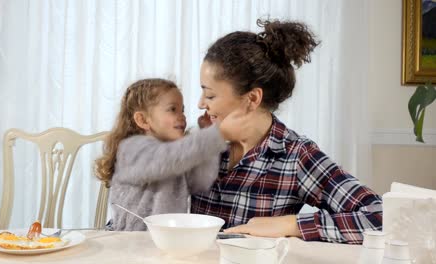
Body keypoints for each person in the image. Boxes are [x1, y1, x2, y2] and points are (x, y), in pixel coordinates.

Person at [191, 19, 382, 244]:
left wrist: (291, 224)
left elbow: (380, 218)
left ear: (252, 98)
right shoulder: (200, 142)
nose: (201, 103)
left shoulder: (296, 155)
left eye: (210, 95)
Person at [95, 78, 228, 231]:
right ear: (143, 120)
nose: (182, 116)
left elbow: (201, 181)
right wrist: (216, 134)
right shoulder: (131, 149)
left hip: (164, 238)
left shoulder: (177, 154)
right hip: (128, 237)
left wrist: (206, 134)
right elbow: (165, 160)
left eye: (182, 110)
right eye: (172, 109)